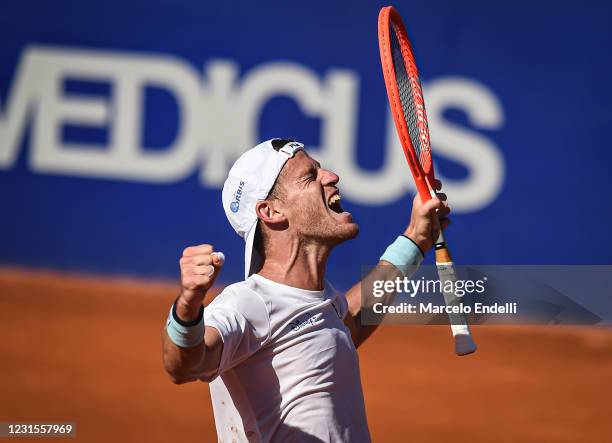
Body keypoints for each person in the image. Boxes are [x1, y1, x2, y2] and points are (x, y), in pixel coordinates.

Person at [162, 139, 450, 442]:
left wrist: (414, 241)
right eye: (310, 176)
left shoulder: (322, 299)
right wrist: (188, 306)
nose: (331, 177)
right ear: (271, 211)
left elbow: (344, 324)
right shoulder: (247, 303)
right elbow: (184, 366)